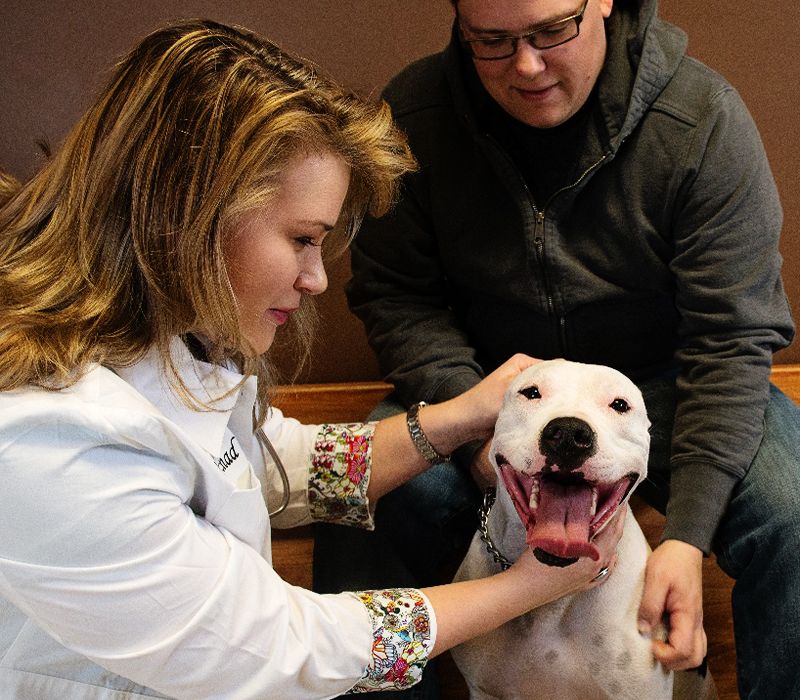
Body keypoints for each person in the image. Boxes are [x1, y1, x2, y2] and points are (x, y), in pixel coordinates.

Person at [0, 18, 627, 700]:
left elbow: (277, 468)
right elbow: (276, 647)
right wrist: (525, 587)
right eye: (302, 238)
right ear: (184, 215)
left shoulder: (169, 349)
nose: (316, 279)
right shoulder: (53, 437)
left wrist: (455, 418)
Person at [314, 1, 800, 698]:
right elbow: (397, 296)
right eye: (491, 41)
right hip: (486, 391)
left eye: (551, 32)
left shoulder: (701, 120)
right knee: (364, 496)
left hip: (664, 389)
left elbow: (731, 339)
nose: (527, 66)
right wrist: (481, 426)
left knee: (794, 508)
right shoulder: (414, 118)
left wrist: (687, 538)